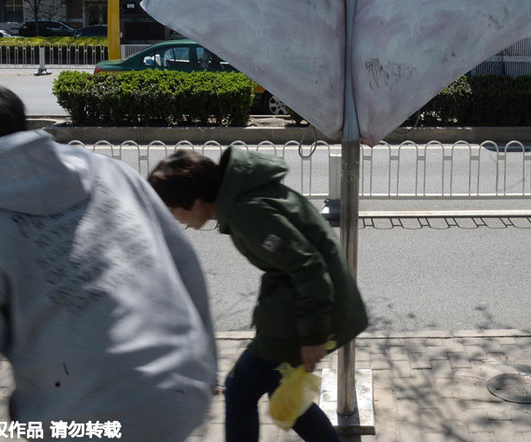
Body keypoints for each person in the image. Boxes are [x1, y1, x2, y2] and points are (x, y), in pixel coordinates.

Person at [0, 79, 217, 441]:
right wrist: (208, 369)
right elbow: (184, 266)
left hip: (91, 418)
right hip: (181, 388)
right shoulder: (110, 172)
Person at [148, 146, 369, 442]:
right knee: (281, 390)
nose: (177, 220)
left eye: (173, 211)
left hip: (311, 311)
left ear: (194, 200)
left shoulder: (247, 212)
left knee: (240, 389)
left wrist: (314, 336)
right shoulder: (242, 200)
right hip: (307, 306)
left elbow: (308, 268)